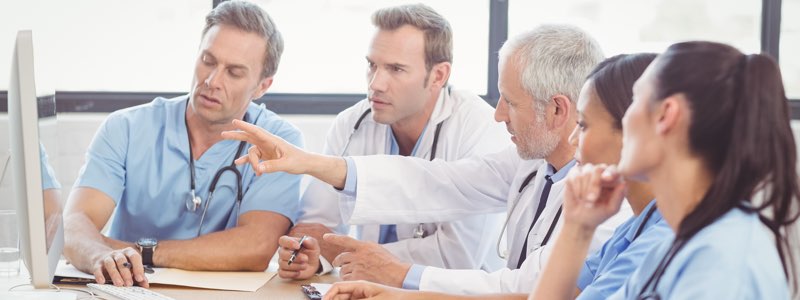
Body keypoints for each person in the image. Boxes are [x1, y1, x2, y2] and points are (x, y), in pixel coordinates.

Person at [224, 24, 630, 293]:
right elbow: (439, 182)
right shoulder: (530, 164)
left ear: (557, 111)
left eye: (510, 102)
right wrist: (307, 161)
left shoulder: (607, 199)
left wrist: (399, 275)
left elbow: (526, 288)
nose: (499, 114)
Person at [318, 53, 675, 300]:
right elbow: (444, 183)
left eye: (584, 124)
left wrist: (401, 279)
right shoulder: (633, 230)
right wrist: (396, 294)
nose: (574, 138)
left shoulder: (660, 238)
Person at [62, 0, 303, 288]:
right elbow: (74, 223)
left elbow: (257, 246)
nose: (212, 80)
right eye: (208, 61)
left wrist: (140, 252)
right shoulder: (126, 128)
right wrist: (100, 254)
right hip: (129, 290)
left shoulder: (279, 142)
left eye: (234, 72)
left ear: (263, 86)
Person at [537, 41, 799, 299]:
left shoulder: (720, 263)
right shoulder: (674, 246)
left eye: (635, 100)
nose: (625, 118)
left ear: (666, 115)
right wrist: (578, 226)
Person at [278, 3, 509, 282]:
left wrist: (345, 254)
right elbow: (317, 223)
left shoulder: (479, 128)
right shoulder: (352, 123)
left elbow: (457, 256)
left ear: (438, 75)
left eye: (396, 69)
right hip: (364, 286)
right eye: (371, 65)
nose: (376, 84)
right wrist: (309, 253)